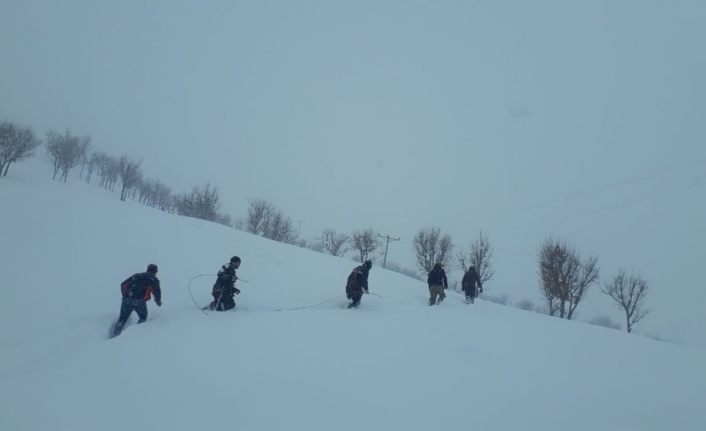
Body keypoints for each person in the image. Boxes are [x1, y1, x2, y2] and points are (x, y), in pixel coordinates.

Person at [113, 264, 162, 337]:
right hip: (139, 302)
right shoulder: (153, 279)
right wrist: (158, 301)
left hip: (127, 300)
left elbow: (123, 284)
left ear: (147, 270)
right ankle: (136, 336)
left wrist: (126, 296)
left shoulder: (136, 275)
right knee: (143, 317)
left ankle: (115, 336)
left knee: (122, 319)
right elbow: (157, 292)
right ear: (155, 272)